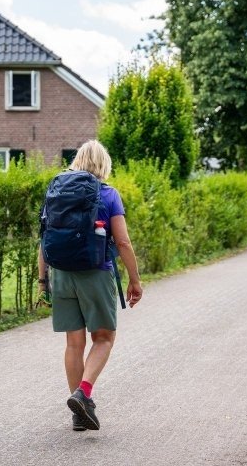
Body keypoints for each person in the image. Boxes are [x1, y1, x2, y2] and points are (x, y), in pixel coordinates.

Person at [38, 140, 143, 432]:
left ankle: (78, 415)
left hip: (60, 273)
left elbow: (43, 239)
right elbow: (122, 241)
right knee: (104, 338)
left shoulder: (55, 192)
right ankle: (83, 393)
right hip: (96, 274)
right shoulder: (108, 195)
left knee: (74, 343)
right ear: (104, 165)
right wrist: (135, 279)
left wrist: (42, 280)